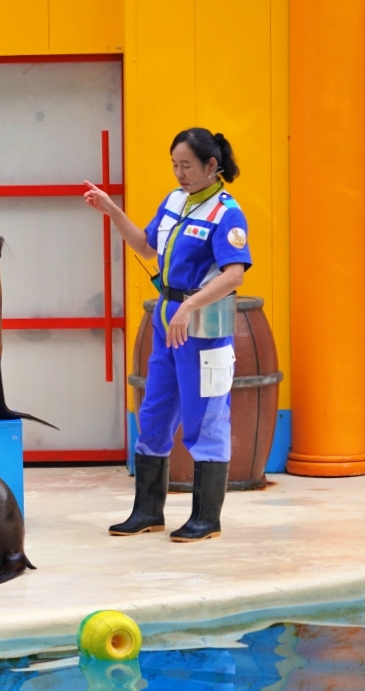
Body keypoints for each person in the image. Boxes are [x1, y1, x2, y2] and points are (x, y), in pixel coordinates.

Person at [83, 128, 250, 542]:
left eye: (187, 166)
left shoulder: (226, 212)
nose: (179, 174)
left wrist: (191, 306)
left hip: (203, 326)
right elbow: (145, 245)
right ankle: (147, 512)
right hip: (166, 318)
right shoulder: (175, 201)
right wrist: (111, 210)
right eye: (174, 165)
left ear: (212, 166)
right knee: (154, 412)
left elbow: (234, 274)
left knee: (204, 417)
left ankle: (206, 518)